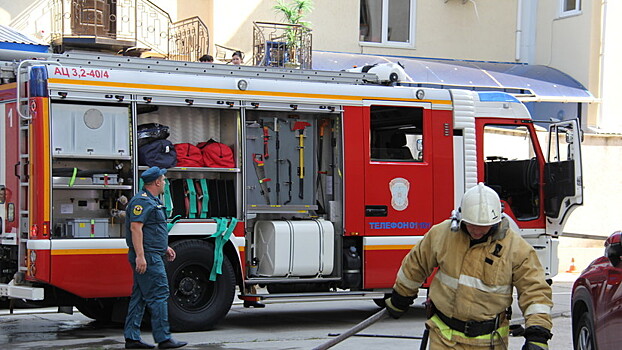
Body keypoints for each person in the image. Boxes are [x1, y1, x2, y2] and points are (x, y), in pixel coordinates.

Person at [385, 183, 553, 350]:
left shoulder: (516, 249)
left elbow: (534, 291)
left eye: (483, 226)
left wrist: (537, 333)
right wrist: (401, 297)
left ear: (497, 221)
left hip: (489, 343)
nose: (477, 231)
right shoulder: (442, 235)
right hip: (444, 338)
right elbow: (416, 264)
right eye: (472, 225)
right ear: (461, 218)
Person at [124, 167, 187, 349]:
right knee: (159, 294)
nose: (165, 183)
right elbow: (136, 228)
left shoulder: (151, 201)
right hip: (149, 257)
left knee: (140, 296)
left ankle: (132, 338)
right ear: (157, 182)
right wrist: (141, 257)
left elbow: (151, 230)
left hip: (152, 253)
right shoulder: (142, 202)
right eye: (164, 180)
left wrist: (164, 247)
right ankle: (163, 338)